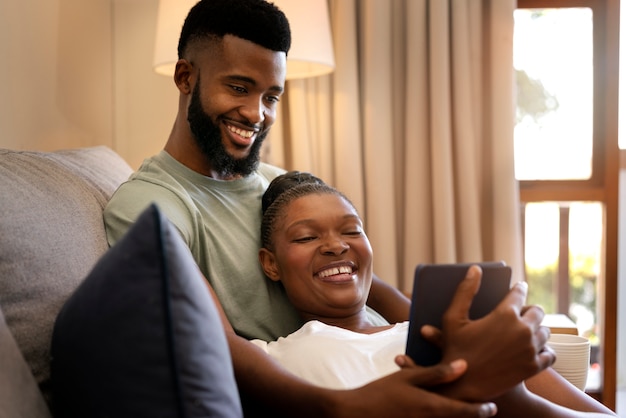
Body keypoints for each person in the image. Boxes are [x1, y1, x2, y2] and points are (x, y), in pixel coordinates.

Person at [104, 0, 555, 416]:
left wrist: (432, 332)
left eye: (271, 96)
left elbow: (371, 285)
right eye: (239, 88)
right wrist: (346, 407)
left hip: (386, 351)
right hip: (335, 381)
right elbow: (215, 342)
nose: (256, 113)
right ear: (186, 77)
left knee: (516, 348)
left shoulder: (274, 181)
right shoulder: (152, 205)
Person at [254, 171, 616, 417]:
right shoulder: (269, 360)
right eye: (306, 237)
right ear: (270, 264)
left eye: (352, 232)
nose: (336, 246)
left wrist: (513, 397)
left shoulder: (451, 334)